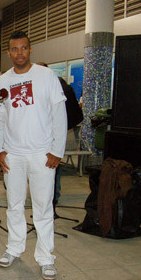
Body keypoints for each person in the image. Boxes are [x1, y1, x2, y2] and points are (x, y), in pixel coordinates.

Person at [0, 30, 67, 280]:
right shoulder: (2, 81)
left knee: (43, 208)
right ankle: (14, 248)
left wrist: (57, 150)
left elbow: (59, 114)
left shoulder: (46, 76)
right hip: (13, 154)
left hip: (41, 154)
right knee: (14, 206)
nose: (19, 53)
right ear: (9, 52)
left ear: (30, 49)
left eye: (23, 48)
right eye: (14, 49)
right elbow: (1, 119)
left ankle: (46, 258)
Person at [37, 62, 83, 205]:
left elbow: (70, 114)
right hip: (46, 135)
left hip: (51, 136)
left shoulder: (59, 88)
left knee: (51, 167)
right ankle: (50, 198)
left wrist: (59, 129)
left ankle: (51, 200)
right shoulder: (60, 86)